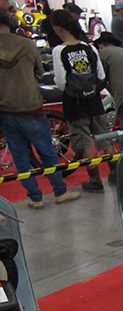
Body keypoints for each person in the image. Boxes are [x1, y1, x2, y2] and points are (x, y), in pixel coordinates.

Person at [0, 8, 79, 208]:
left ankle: (35, 198)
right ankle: (60, 191)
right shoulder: (27, 44)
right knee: (46, 150)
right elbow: (40, 71)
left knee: (20, 155)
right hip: (30, 105)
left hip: (5, 109)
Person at [51, 8, 107, 193]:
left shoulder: (59, 50)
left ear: (57, 29)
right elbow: (101, 75)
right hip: (94, 100)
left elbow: (61, 82)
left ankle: (95, 179)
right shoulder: (89, 47)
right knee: (104, 136)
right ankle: (115, 172)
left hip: (74, 103)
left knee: (84, 141)